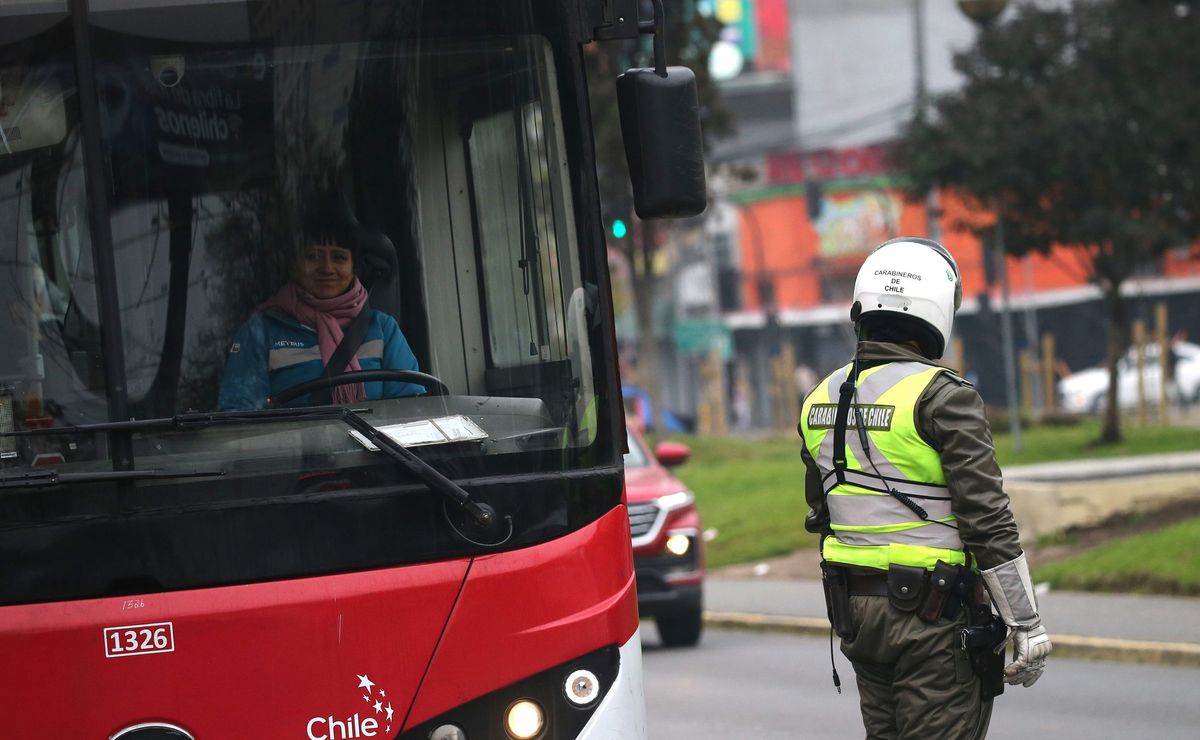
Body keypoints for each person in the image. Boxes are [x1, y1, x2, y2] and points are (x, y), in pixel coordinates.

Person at [796, 237, 1051, 739]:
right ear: (936, 311)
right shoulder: (943, 396)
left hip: (856, 613)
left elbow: (821, 508)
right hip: (931, 617)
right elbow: (987, 518)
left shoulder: (817, 399)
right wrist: (1025, 621)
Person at [217, 197, 425, 410]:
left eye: (339, 257)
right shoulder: (260, 332)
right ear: (295, 265)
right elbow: (239, 416)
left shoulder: (383, 329)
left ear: (354, 267)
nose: (327, 268)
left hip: (376, 445)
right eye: (313, 256)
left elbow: (409, 410)